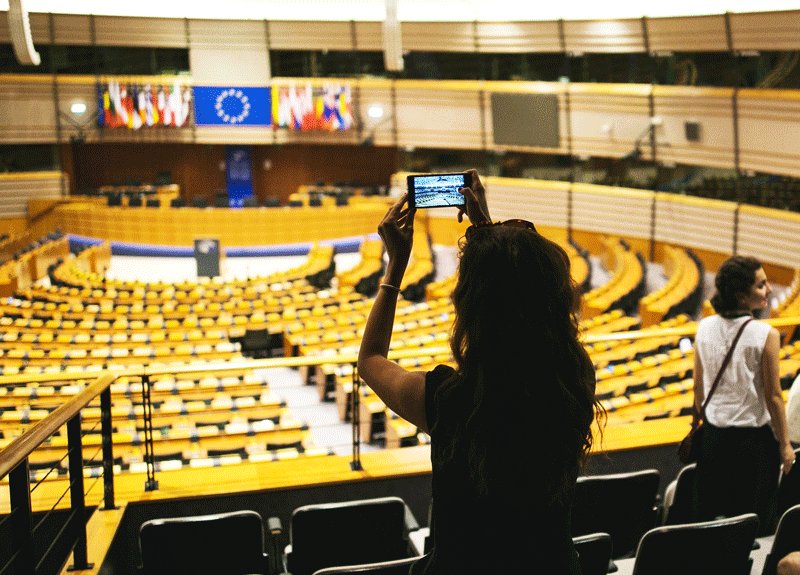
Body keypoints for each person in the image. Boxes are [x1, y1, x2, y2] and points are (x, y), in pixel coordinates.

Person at [357, 170, 601, 574]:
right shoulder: (575, 378)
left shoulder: (446, 398)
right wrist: (484, 231)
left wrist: (395, 266)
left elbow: (370, 360)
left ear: (471, 310)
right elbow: (522, 299)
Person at [693, 255, 795, 535]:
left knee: (712, 524)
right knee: (754, 527)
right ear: (741, 297)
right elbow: (774, 396)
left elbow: (698, 390)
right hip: (753, 445)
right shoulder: (766, 334)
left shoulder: (704, 327)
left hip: (713, 439)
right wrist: (785, 445)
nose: (770, 290)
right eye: (762, 285)